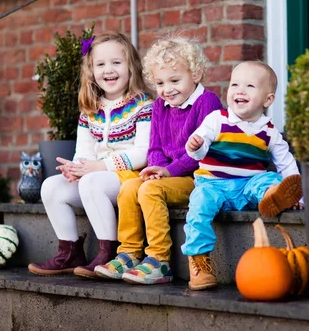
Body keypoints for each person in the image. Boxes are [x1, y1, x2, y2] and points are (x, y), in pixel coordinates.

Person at [94, 35, 223, 284]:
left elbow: (202, 152)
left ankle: (159, 260)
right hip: (169, 175)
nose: (167, 89)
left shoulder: (207, 102)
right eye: (161, 83)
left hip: (199, 178)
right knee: (130, 187)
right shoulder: (161, 106)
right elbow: (155, 146)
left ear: (195, 74)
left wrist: (169, 171)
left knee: (150, 191)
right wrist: (156, 168)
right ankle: (129, 253)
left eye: (175, 80)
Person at [28, 32, 154, 278]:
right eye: (101, 64)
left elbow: (143, 153)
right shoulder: (90, 110)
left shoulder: (143, 105)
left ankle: (110, 253)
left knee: (91, 181)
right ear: (91, 71)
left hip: (130, 177)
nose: (109, 70)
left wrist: (97, 167)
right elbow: (83, 152)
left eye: (116, 63)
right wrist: (74, 168)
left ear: (131, 67)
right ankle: (70, 251)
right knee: (52, 187)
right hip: (96, 176)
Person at [181, 60, 303, 290]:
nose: (239, 90)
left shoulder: (269, 131)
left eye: (249, 86)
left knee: (270, 179)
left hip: (249, 186)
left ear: (268, 100)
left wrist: (298, 196)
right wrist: (196, 145)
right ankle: (199, 261)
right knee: (198, 205)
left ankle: (274, 196)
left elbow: (286, 164)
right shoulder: (217, 119)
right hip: (214, 185)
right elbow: (199, 149)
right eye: (235, 84)